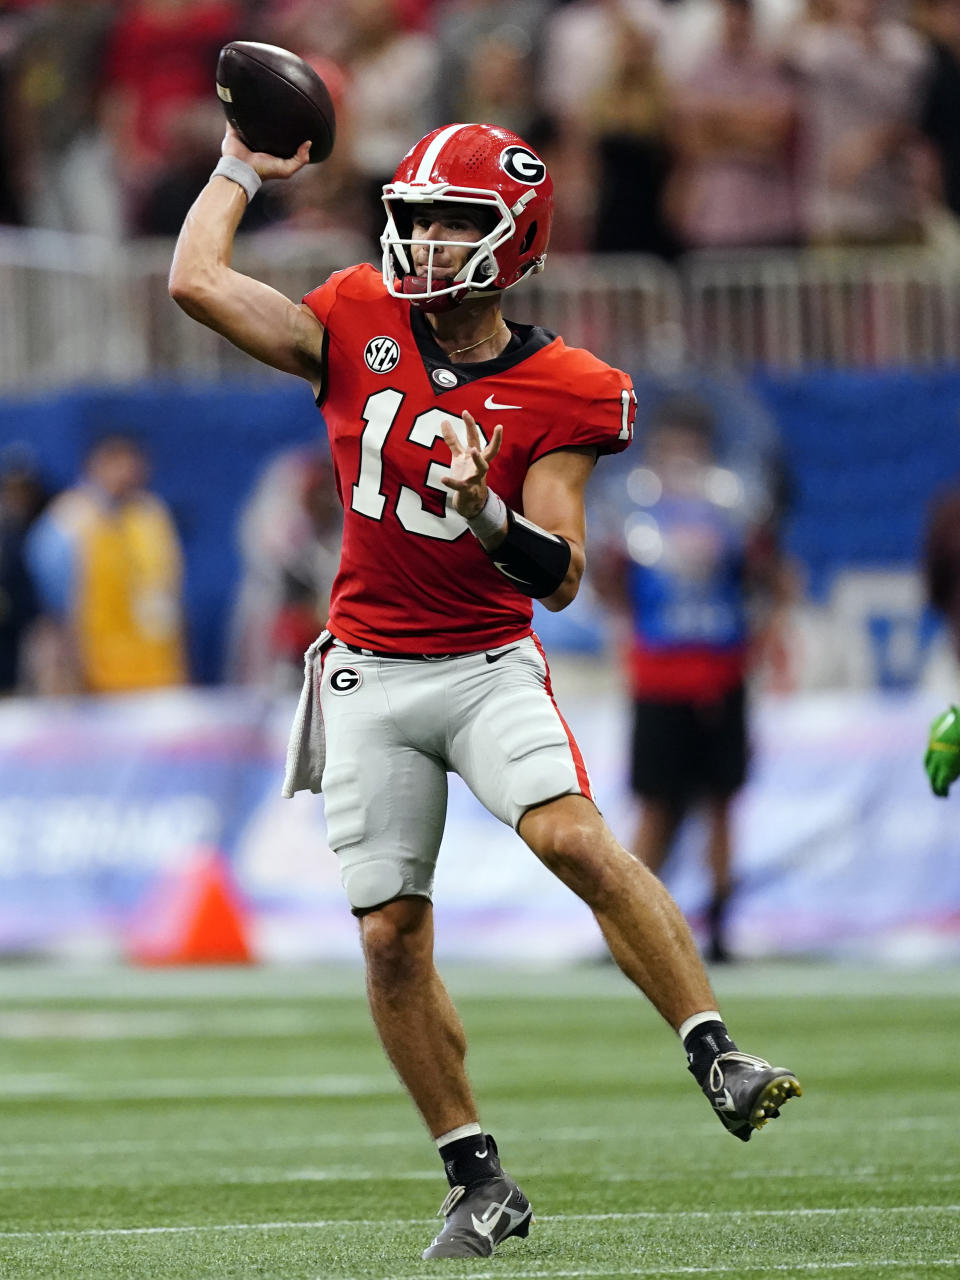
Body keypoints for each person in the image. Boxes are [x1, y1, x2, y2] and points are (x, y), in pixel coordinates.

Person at [168, 118, 801, 1261]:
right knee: (390, 937)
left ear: (518, 238)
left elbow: (558, 575)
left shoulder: (568, 386)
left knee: (572, 837)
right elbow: (196, 281)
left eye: (456, 219)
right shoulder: (354, 313)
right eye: (418, 214)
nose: (429, 238)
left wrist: (484, 511)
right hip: (365, 669)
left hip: (483, 659)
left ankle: (715, 1047)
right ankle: (476, 1176)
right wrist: (236, 167)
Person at [592, 395, 792, 963]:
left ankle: (722, 930)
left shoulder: (734, 515)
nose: (682, 458)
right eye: (673, 447)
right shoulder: (636, 519)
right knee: (655, 807)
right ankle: (628, 931)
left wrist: (763, 640)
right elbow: (610, 589)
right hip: (659, 677)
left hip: (720, 675)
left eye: (691, 447)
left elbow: (771, 582)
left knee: (721, 806)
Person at [24, 432, 188, 695]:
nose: (128, 472)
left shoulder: (151, 514)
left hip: (156, 669)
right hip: (93, 672)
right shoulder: (70, 518)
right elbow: (53, 599)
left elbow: (170, 589)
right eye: (118, 462)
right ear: (97, 465)